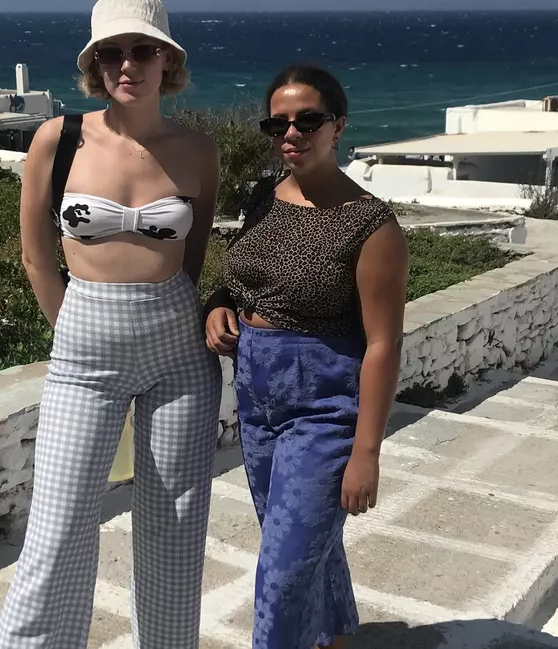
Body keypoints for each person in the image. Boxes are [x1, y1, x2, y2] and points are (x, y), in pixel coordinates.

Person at [0, 1, 223, 648]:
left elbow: (193, 257)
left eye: (143, 51)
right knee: (57, 530)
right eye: (112, 53)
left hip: (178, 352)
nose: (128, 64)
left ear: (167, 61)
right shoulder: (58, 138)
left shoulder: (198, 150)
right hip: (82, 351)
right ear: (94, 64)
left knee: (173, 531)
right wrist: (77, 330)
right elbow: (37, 255)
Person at [203, 63, 410, 649]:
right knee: (304, 545)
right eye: (278, 123)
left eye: (307, 120)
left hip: (323, 409)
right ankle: (337, 638)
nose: (291, 133)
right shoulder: (260, 200)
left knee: (281, 575)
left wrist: (366, 452)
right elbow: (247, 281)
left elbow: (383, 344)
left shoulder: (370, 225)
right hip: (257, 400)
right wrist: (218, 305)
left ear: (337, 125)